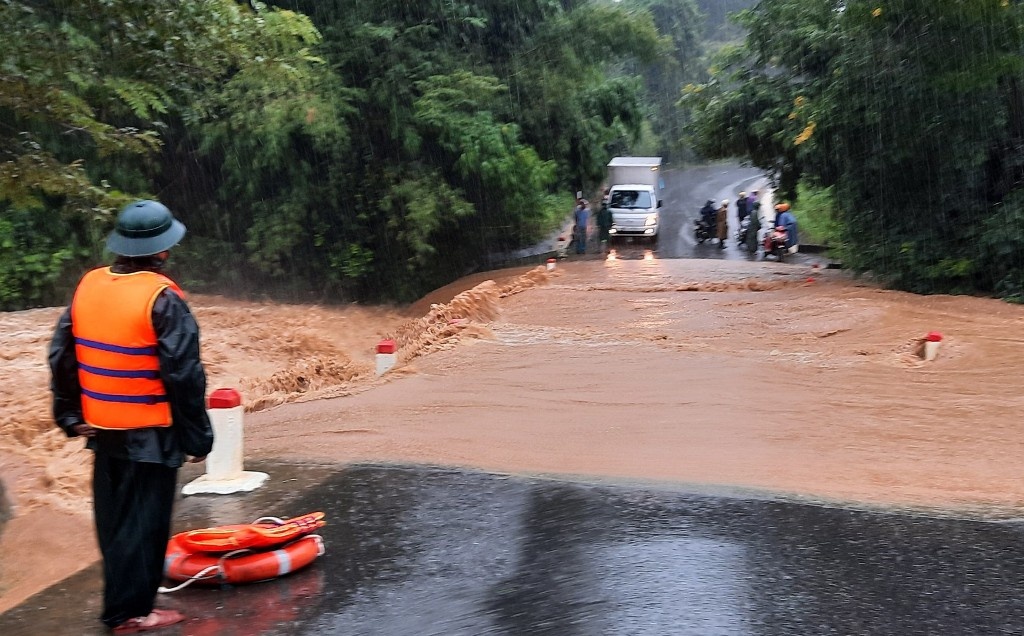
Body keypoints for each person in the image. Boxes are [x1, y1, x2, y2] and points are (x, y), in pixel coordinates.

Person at [49, 200, 215, 634]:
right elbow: (184, 374)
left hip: (103, 429)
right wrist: (198, 439)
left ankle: (123, 605)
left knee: (116, 522)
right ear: (162, 252)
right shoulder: (163, 298)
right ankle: (132, 614)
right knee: (146, 525)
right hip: (150, 433)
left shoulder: (89, 285)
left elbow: (61, 356)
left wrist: (69, 415)